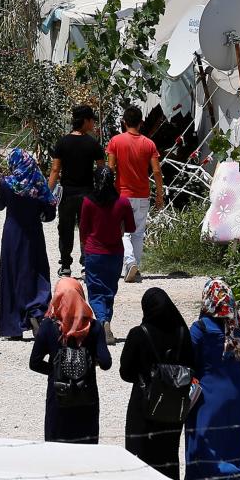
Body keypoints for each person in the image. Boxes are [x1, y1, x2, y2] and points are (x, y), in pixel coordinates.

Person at [186, 278, 240, 480]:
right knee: (238, 443)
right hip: (239, 396)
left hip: (209, 397)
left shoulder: (200, 329)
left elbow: (188, 360)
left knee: (209, 445)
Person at [120, 288, 194, 479]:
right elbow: (192, 366)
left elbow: (125, 373)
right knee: (168, 454)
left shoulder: (138, 334)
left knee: (141, 457)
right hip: (173, 405)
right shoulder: (182, 333)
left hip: (143, 406)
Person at [29, 278, 112, 443]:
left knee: (57, 450)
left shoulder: (47, 326)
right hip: (86, 395)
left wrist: (56, 370)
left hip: (59, 395)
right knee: (85, 451)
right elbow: (106, 362)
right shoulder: (94, 327)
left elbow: (34, 363)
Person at [0, 148, 57, 339]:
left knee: (13, 274)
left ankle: (13, 326)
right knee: (35, 272)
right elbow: (50, 212)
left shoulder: (7, 184)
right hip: (34, 233)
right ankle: (36, 312)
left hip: (13, 233)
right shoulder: (39, 183)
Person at [106, 106, 164, 281]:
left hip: (122, 194)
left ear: (124, 122)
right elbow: (156, 171)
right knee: (138, 232)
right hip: (143, 194)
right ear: (141, 123)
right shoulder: (149, 144)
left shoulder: (115, 141)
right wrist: (159, 194)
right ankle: (135, 266)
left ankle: (130, 261)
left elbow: (110, 168)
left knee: (122, 232)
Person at [77, 167, 135, 343]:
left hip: (94, 252)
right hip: (115, 253)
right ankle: (106, 320)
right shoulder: (123, 202)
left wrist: (84, 247)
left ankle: (102, 320)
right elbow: (131, 227)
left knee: (95, 290)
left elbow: (83, 229)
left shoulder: (88, 202)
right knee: (109, 290)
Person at [48, 105, 106, 277]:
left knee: (65, 228)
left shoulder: (62, 142)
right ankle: (86, 264)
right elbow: (102, 171)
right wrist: (103, 194)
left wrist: (47, 192)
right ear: (86, 121)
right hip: (88, 194)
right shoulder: (93, 144)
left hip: (67, 194)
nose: (93, 123)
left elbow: (55, 170)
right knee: (86, 229)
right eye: (92, 120)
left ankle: (65, 265)